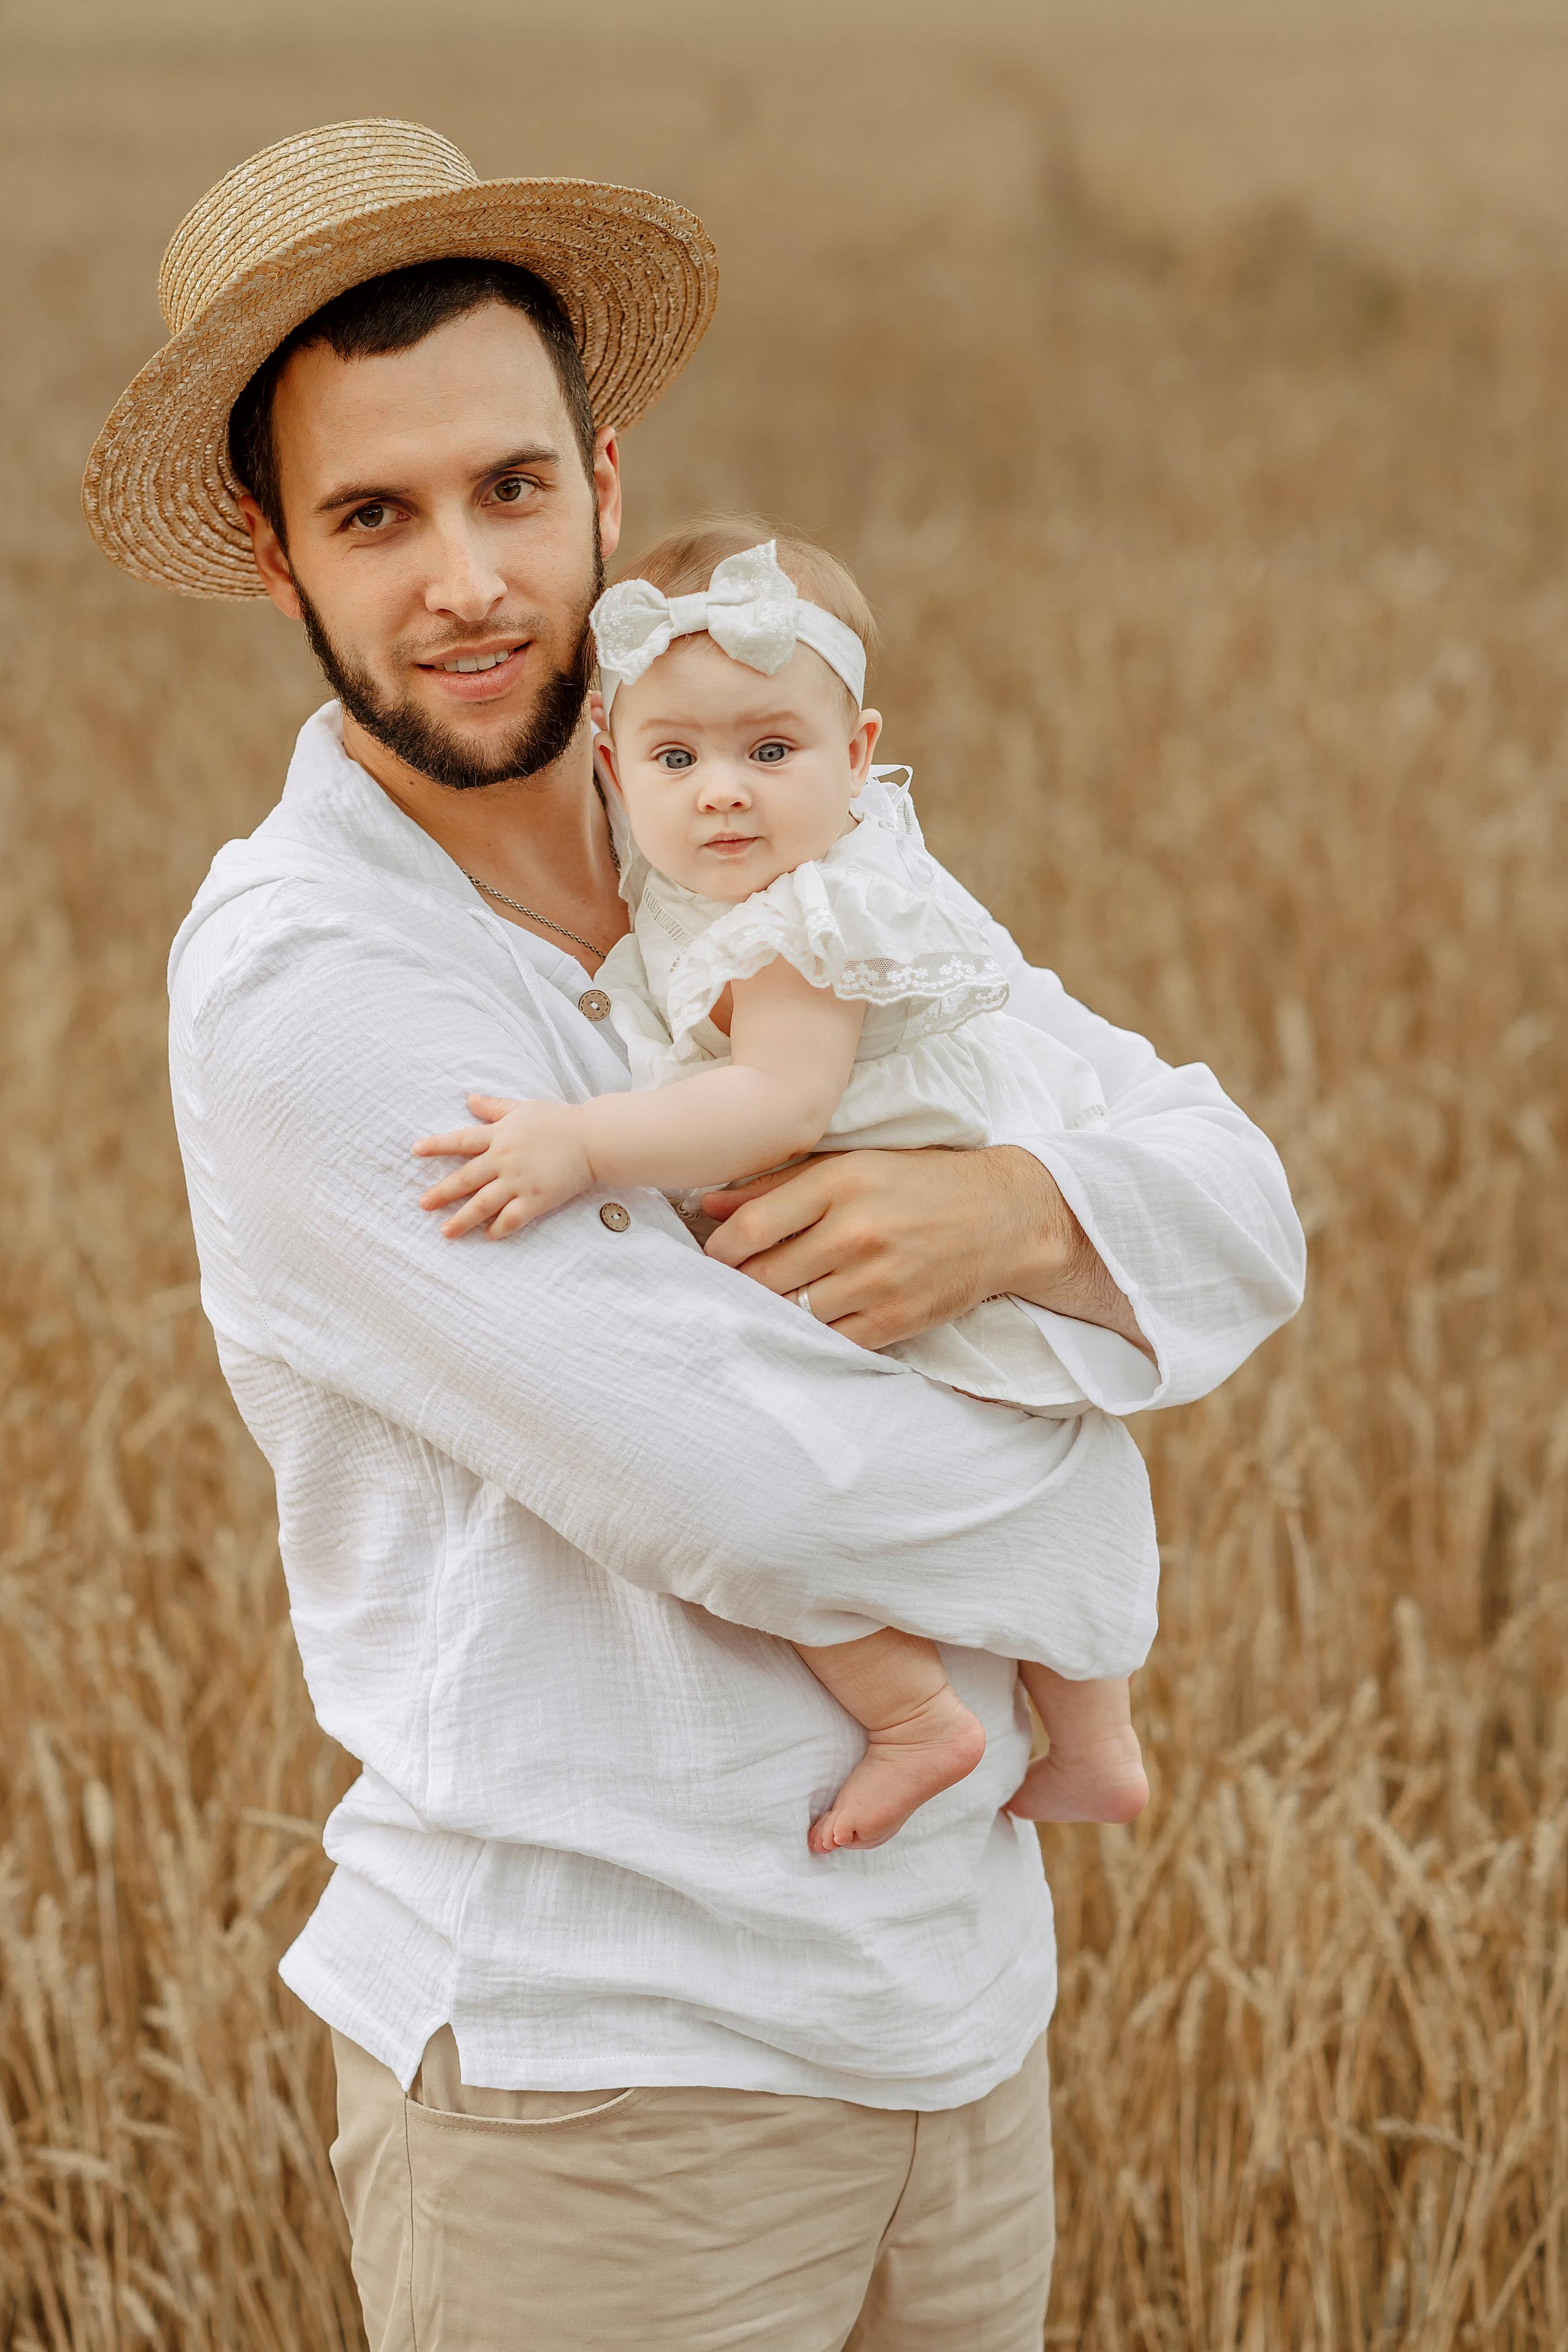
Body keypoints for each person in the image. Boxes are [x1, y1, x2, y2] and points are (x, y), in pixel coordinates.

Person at [85, 118, 1306, 2352]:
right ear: (275, 558)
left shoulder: (743, 815)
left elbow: (1235, 1203)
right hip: (606, 2082)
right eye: (376, 516)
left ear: (607, 484)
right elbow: (757, 1491)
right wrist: (1104, 1493)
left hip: (956, 2020)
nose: (468, 580)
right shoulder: (311, 983)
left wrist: (1010, 1211)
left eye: (510, 488)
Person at [414, 522, 1153, 1854]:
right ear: (610, 764)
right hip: (880, 1229)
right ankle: (1096, 1743)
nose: (722, 796)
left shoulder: (803, 922)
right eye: (676, 759)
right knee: (1003, 1476)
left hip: (886, 1235)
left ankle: (916, 1718)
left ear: (857, 756)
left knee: (779, 1478)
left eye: (770, 752)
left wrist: (583, 1143)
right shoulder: (718, 889)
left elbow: (777, 1104)